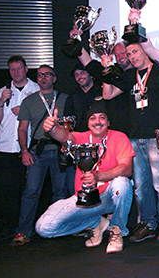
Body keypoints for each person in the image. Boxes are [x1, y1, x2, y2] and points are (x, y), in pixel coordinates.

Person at [103, 42, 159, 243]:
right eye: (128, 54)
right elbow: (107, 95)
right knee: (141, 187)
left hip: (156, 136)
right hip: (135, 137)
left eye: (135, 51)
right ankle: (148, 223)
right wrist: (106, 69)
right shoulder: (129, 76)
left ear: (145, 51)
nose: (131, 56)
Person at [35, 103, 134, 253]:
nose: (97, 122)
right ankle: (96, 223)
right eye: (93, 118)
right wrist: (53, 128)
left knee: (123, 182)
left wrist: (98, 176)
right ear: (88, 124)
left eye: (102, 117)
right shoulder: (80, 138)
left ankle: (116, 231)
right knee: (44, 227)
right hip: (84, 200)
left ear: (108, 122)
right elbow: (65, 136)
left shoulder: (119, 137)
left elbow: (126, 169)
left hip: (109, 197)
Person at [11, 65, 69, 246]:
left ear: (54, 78)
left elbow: (72, 125)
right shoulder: (29, 101)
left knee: (61, 192)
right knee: (31, 191)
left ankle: (57, 228)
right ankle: (23, 231)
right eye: (40, 75)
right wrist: (24, 151)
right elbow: (22, 129)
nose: (43, 78)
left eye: (47, 75)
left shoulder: (65, 99)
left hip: (60, 151)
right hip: (38, 151)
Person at [0, 55, 39, 242]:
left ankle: (27, 228)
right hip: (5, 149)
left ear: (26, 69)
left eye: (19, 68)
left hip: (28, 148)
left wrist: (26, 111)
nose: (16, 72)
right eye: (12, 69)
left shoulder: (36, 89)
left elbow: (44, 119)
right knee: (7, 192)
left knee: (29, 191)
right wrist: (1, 102)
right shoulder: (3, 91)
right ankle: (9, 229)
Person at [62, 63, 103, 195]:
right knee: (74, 186)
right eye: (76, 74)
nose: (79, 76)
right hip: (78, 145)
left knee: (102, 184)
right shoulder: (72, 96)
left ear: (91, 74)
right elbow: (67, 124)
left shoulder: (102, 92)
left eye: (82, 73)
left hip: (100, 144)